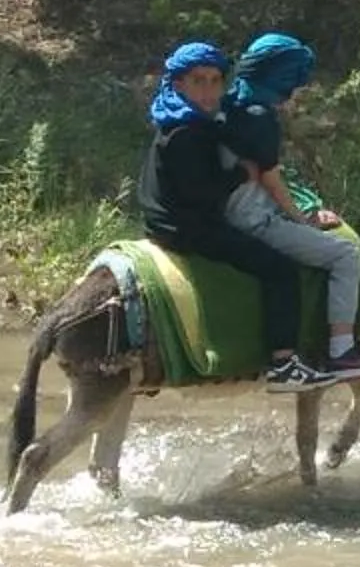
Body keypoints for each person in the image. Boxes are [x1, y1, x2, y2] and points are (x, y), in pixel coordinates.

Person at [137, 39, 320, 391]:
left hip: (167, 222)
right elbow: (202, 193)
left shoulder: (175, 117)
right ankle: (284, 361)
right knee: (279, 269)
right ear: (178, 84)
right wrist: (242, 174)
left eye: (215, 81)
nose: (208, 91)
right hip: (189, 228)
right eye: (198, 81)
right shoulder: (188, 132)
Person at [221, 32, 360, 384]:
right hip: (254, 221)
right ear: (281, 76)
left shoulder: (228, 106)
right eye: (294, 77)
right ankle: (342, 351)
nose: (297, 87)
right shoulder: (260, 116)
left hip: (228, 214)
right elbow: (271, 180)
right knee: (345, 254)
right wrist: (304, 220)